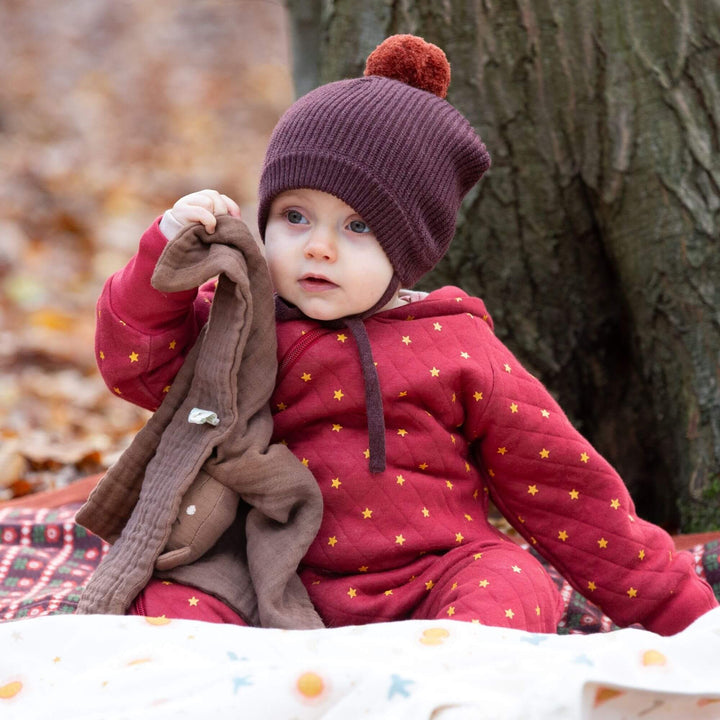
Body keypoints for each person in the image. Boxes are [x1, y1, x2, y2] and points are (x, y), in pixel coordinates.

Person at [87, 34, 717, 634]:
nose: (320, 248)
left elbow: (565, 490)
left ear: (410, 247)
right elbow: (136, 366)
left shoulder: (458, 345)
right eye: (295, 216)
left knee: (516, 581)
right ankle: (219, 686)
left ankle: (445, 681)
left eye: (358, 226)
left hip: (429, 575)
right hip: (263, 574)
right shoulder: (242, 321)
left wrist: (689, 620)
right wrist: (159, 263)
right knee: (167, 601)